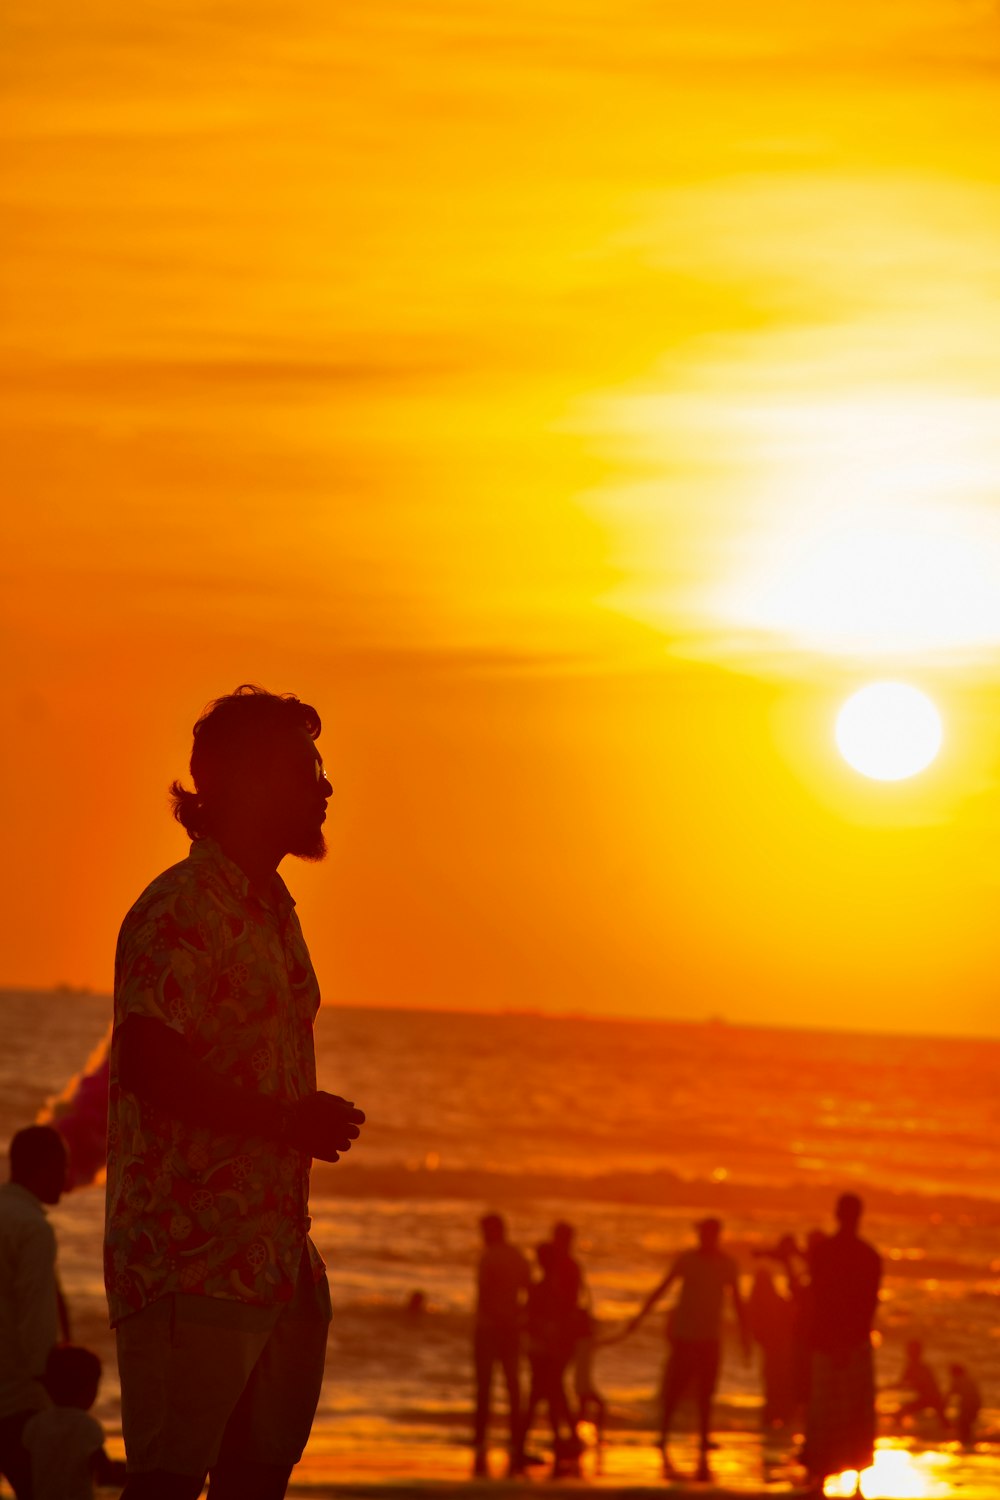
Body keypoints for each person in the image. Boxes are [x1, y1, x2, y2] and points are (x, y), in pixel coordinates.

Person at [105, 685, 365, 1500]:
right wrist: (287, 1121)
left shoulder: (274, 912)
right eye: (307, 768)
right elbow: (149, 1062)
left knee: (257, 1485)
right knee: (168, 1488)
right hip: (190, 1262)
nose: (325, 787)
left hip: (274, 1265)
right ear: (244, 781)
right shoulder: (181, 909)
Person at [619, 1216, 749, 1481]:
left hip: (709, 1337)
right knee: (675, 1388)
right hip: (685, 1336)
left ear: (715, 1235)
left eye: (707, 1233)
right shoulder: (687, 1260)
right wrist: (640, 1315)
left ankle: (701, 1439)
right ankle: (664, 1436)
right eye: (702, 1233)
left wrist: (745, 1336)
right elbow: (663, 1288)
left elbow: (737, 1301)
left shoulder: (727, 1265)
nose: (704, 1238)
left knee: (706, 1392)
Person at [0, 1125, 68, 1499]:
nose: (67, 1178)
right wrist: (52, 1391)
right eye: (63, 1167)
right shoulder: (33, 1229)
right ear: (44, 1167)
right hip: (17, 1400)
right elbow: (36, 1320)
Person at [801, 1193, 882, 1497]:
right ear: (859, 1216)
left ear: (837, 1214)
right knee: (855, 1413)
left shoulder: (824, 1253)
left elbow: (820, 1300)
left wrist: (831, 1341)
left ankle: (820, 1479)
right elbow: (868, 1305)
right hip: (853, 1342)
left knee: (825, 1410)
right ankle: (856, 1484)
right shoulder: (869, 1255)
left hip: (828, 1341)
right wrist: (850, 1340)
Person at [22, 1344, 127, 1499]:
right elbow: (105, 1476)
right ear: (88, 1390)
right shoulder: (86, 1427)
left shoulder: (34, 1425)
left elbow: (25, 1474)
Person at [472, 1213, 530, 1478]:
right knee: (512, 1385)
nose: (483, 1235)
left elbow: (483, 1294)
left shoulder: (489, 1257)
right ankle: (516, 1438)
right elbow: (528, 1291)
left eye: (485, 1230)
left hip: (489, 1328)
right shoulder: (518, 1256)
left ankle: (481, 1437)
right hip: (511, 1327)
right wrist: (517, 1317)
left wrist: (494, 1318)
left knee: (486, 1385)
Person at [893, 1339, 947, 1429]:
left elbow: (903, 1383)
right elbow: (905, 1383)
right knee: (943, 1420)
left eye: (910, 1351)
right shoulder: (921, 1366)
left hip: (931, 1398)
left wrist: (890, 1387)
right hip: (930, 1398)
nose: (908, 1353)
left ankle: (897, 1431)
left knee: (900, 1413)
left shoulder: (916, 1367)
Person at [947, 1363, 981, 1448]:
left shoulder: (958, 1380)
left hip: (968, 1407)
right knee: (966, 1426)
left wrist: (942, 1409)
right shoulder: (968, 1380)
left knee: (963, 1426)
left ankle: (966, 1444)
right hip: (974, 1406)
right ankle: (969, 1444)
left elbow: (949, 1395)